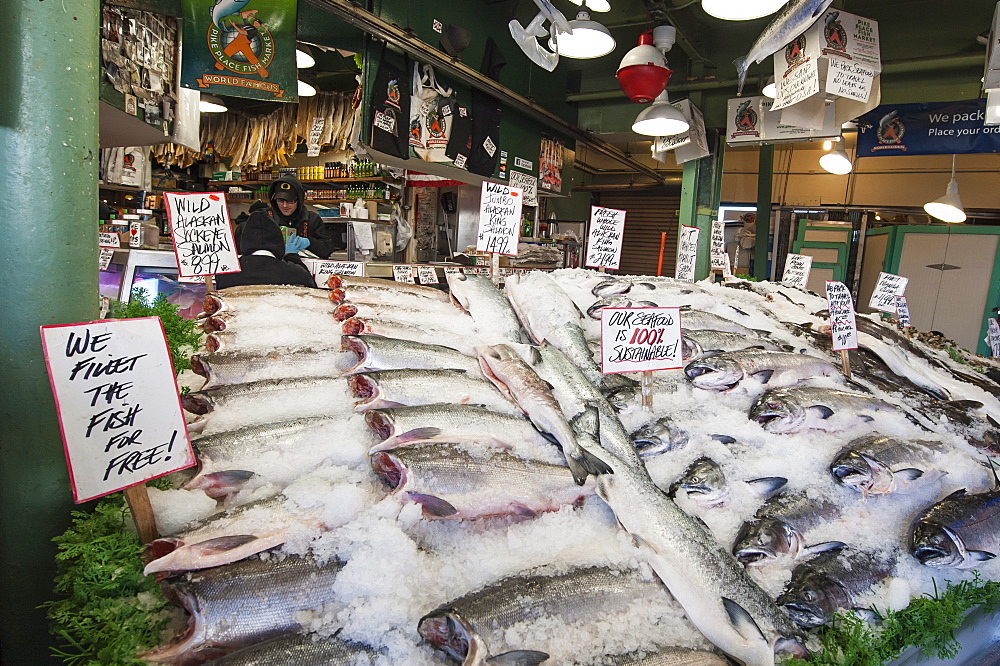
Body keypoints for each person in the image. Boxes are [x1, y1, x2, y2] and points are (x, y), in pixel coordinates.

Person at [216, 210, 317, 289]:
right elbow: (313, 292)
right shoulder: (296, 274)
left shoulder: (225, 275)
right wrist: (292, 256)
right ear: (279, 241)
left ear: (244, 241)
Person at [268, 174, 344, 258]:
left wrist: (309, 242)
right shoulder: (266, 217)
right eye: (280, 201)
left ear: (299, 199)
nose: (285, 205)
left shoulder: (312, 219)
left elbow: (327, 249)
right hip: (272, 267)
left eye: (290, 201)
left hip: (305, 267)